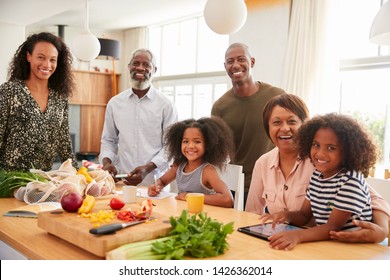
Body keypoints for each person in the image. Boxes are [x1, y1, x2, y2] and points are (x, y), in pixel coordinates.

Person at [246, 94, 389, 244]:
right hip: (289, 241)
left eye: (292, 121)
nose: (285, 128)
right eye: (276, 122)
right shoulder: (265, 163)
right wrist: (284, 216)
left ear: (304, 125)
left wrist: (382, 229)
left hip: (331, 244)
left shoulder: (324, 165)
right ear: (267, 127)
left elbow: (373, 199)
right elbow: (253, 212)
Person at [211, 42, 286, 206]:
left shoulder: (276, 96)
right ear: (225, 66)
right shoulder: (220, 106)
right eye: (230, 61)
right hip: (239, 184)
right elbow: (218, 150)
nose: (235, 65)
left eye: (241, 59)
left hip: (274, 180)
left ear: (251, 62)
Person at [99, 48, 178, 186]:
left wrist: (147, 168)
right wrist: (107, 162)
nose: (140, 68)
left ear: (154, 70)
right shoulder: (115, 103)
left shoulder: (166, 105)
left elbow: (170, 147)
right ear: (129, 67)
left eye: (147, 65)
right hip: (122, 182)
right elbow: (108, 140)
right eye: (136, 63)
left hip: (155, 184)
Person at [0, 32, 77, 171]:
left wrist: (79, 175)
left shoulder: (60, 98)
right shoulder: (9, 91)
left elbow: (64, 142)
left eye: (53, 60)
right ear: (29, 56)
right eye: (41, 57)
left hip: (41, 183)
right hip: (9, 181)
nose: (47, 64)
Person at [148, 117, 234, 208]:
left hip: (203, 217)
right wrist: (156, 187)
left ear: (208, 145)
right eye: (185, 141)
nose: (190, 146)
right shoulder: (179, 166)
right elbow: (162, 181)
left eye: (197, 141)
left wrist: (188, 197)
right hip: (184, 215)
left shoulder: (207, 171)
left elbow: (227, 199)